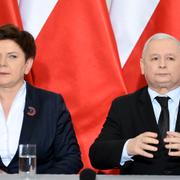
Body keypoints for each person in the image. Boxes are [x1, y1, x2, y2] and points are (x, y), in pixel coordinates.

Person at [89, 33, 180, 175]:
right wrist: (128, 147)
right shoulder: (123, 106)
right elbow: (97, 155)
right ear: (142, 66)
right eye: (155, 58)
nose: (162, 65)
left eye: (170, 58)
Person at [0, 24, 83, 174]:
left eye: (12, 56)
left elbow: (71, 159)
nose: (2, 63)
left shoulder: (50, 104)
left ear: (27, 64)